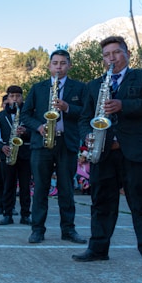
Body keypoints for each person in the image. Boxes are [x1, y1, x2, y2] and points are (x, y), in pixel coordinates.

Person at [73, 35, 142, 275]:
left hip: (134, 151)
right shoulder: (94, 85)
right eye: (106, 55)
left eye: (116, 53)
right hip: (103, 152)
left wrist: (123, 105)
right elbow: (85, 119)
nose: (111, 58)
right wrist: (88, 136)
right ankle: (98, 249)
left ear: (127, 53)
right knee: (101, 203)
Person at [21, 48, 87, 244]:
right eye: (55, 63)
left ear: (69, 66)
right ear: (49, 66)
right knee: (40, 188)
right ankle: (37, 230)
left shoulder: (80, 88)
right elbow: (25, 115)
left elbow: (86, 113)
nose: (59, 67)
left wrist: (68, 108)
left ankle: (68, 230)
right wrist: (39, 126)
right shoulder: (38, 88)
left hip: (66, 144)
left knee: (66, 189)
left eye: (63, 63)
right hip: (42, 144)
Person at [0, 86, 32, 226]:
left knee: (25, 187)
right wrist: (2, 147)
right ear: (7, 99)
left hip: (25, 154)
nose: (15, 99)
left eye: (18, 96)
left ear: (22, 98)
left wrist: (26, 132)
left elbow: (37, 132)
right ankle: (7, 214)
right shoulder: (1, 116)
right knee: (8, 185)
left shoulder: (28, 114)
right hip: (8, 154)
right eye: (12, 96)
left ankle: (25, 215)